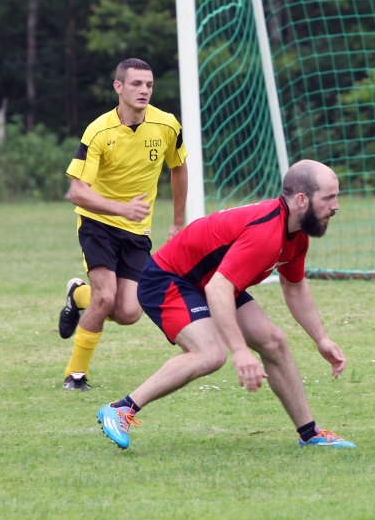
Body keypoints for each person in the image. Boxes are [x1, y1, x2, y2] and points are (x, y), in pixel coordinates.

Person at [97, 160, 355, 450]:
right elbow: (219, 288)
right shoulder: (266, 232)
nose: (336, 205)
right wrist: (240, 351)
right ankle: (121, 408)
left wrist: (321, 338)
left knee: (274, 341)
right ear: (301, 199)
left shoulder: (296, 236)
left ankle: (311, 434)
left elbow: (294, 287)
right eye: (329, 197)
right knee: (210, 354)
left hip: (211, 279)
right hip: (169, 278)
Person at [60, 58, 188, 390]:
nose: (144, 90)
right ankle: (75, 375)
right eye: (136, 84)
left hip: (136, 229)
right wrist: (119, 208)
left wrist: (177, 221)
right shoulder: (99, 130)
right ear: (119, 87)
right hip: (97, 223)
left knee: (129, 312)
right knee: (105, 298)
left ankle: (77, 296)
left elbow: (178, 167)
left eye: (148, 85)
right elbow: (76, 191)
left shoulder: (167, 126)